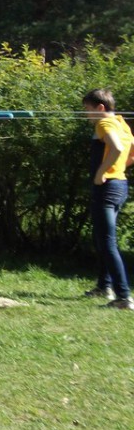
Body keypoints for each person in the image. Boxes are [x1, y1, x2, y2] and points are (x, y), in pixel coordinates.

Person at [82, 89, 134, 310]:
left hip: (107, 186)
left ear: (100, 108)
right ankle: (105, 286)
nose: (87, 115)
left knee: (107, 242)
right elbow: (130, 154)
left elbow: (117, 148)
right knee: (103, 238)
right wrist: (117, 167)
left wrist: (102, 172)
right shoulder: (122, 124)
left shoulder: (104, 124)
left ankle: (123, 296)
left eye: (88, 110)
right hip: (121, 185)